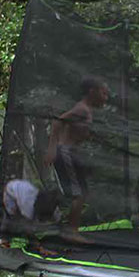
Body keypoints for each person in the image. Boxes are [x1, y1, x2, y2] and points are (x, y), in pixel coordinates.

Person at [43, 77, 109, 242]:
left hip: (71, 153)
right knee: (78, 194)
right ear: (92, 92)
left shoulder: (86, 111)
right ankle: (71, 232)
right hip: (65, 152)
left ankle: (68, 228)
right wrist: (51, 149)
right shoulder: (82, 109)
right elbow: (57, 122)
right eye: (103, 93)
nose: (106, 98)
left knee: (81, 193)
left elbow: (78, 130)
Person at [0, 178, 61, 256]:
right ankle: (4, 241)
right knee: (12, 217)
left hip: (23, 190)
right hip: (10, 192)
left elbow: (58, 222)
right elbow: (28, 227)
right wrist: (39, 247)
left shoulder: (50, 205)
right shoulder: (27, 206)